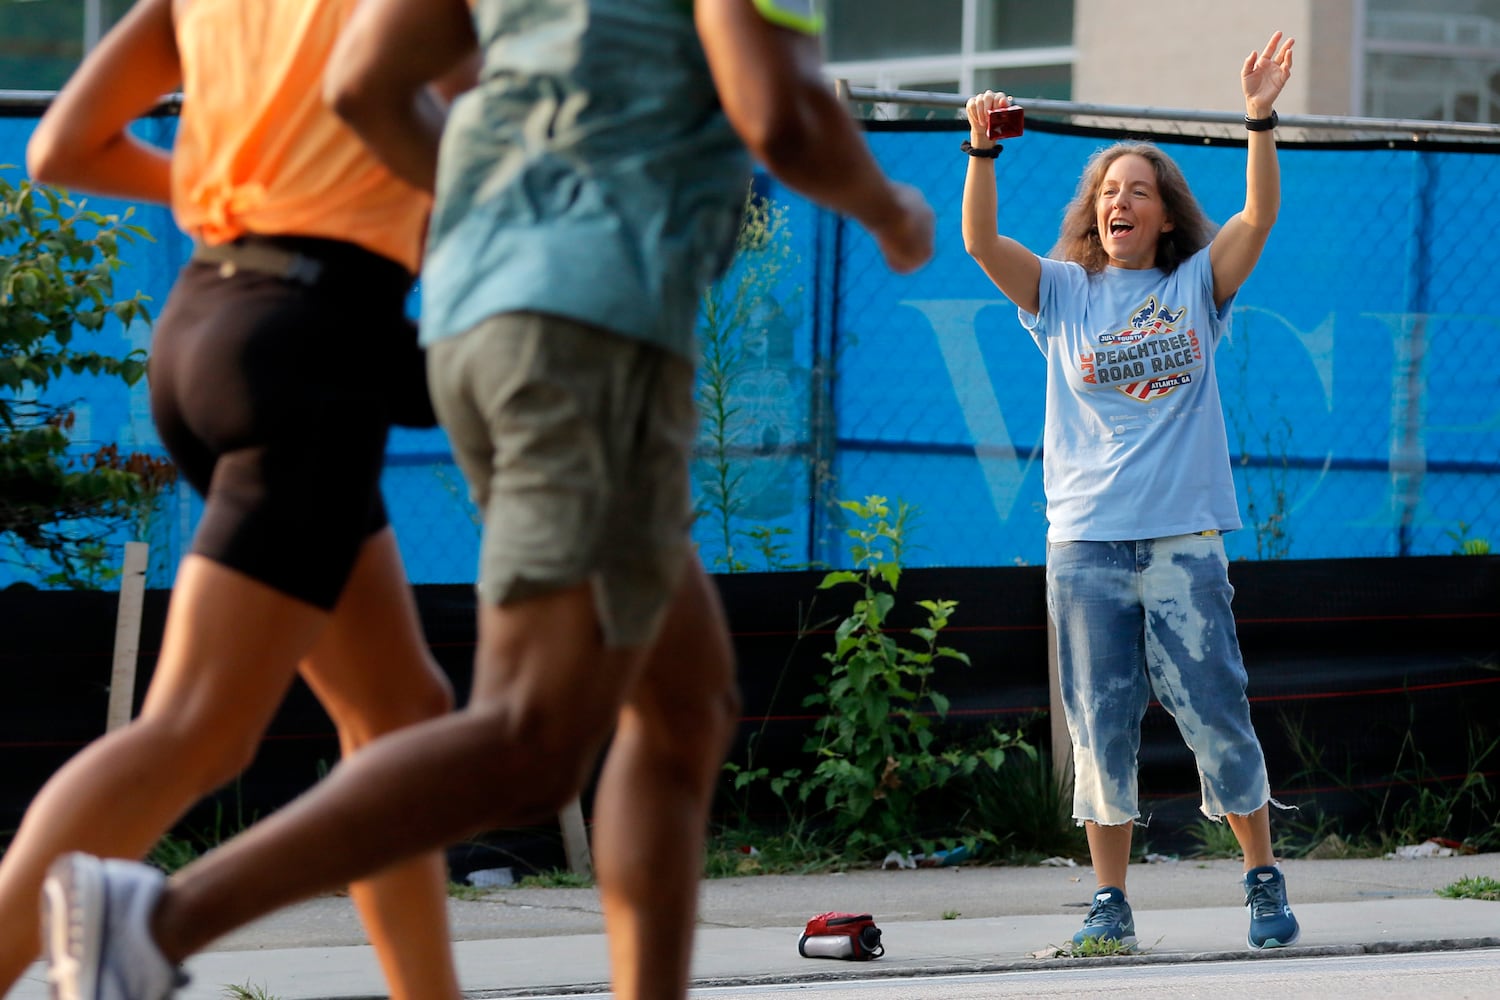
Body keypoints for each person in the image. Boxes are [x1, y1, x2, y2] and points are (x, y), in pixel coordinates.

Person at [38, 1, 936, 999]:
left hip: (404, 319)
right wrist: (893, 209)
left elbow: (361, 85)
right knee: (524, 739)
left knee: (670, 709)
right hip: (551, 329)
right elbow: (779, 116)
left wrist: (488, 219)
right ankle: (157, 919)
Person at [14, 1, 473, 998]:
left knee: (401, 713)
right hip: (309, 349)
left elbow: (59, 148)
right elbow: (476, 164)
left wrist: (237, 193)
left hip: (207, 323)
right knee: (200, 728)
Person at [961, 32, 1299, 952]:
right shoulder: (1062, 295)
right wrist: (982, 150)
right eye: (1109, 191)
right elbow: (981, 239)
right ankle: (1110, 904)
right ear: (1094, 214)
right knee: (1099, 721)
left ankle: (1261, 878)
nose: (1121, 200)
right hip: (1085, 544)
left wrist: (1259, 115)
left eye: (1138, 191)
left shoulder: (1195, 286)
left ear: (1162, 216)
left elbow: (1259, 217)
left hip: (1182, 539)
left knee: (1215, 710)